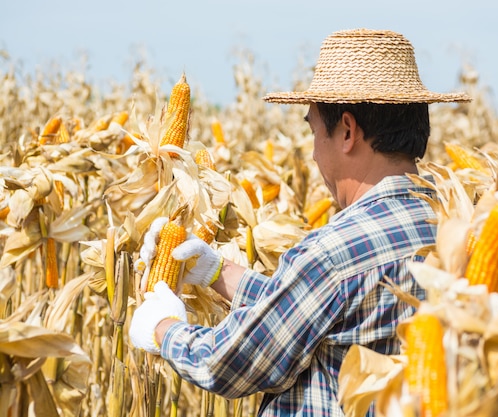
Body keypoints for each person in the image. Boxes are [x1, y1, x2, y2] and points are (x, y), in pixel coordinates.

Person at [129, 28, 471, 416]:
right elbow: (319, 313)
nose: (311, 154)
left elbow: (228, 364)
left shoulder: (334, 253)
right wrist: (217, 271)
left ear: (346, 130)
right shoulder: (455, 229)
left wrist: (163, 329)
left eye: (312, 131)